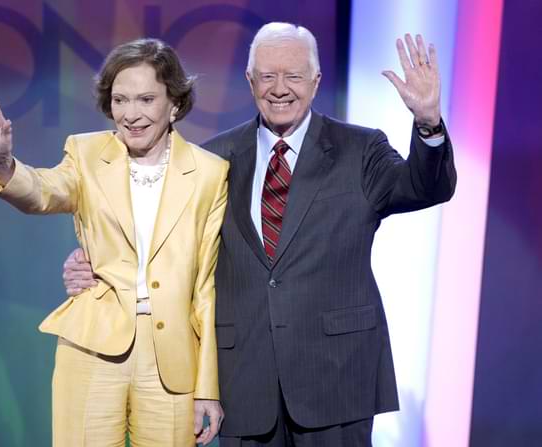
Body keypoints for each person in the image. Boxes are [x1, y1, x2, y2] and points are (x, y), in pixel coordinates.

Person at [63, 23, 457, 446]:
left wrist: (429, 123)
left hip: (337, 379)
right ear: (251, 81)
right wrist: (95, 265)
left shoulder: (360, 149)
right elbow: (163, 244)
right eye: (267, 76)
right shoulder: (213, 160)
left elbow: (424, 186)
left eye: (294, 75)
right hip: (245, 383)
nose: (280, 88)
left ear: (316, 81)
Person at [0, 38, 227, 447]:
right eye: (120, 100)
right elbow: (43, 191)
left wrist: (207, 385)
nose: (131, 114)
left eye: (145, 99)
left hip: (173, 358)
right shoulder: (86, 153)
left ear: (174, 103)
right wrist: (3, 163)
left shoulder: (210, 173)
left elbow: (205, 289)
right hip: (92, 347)